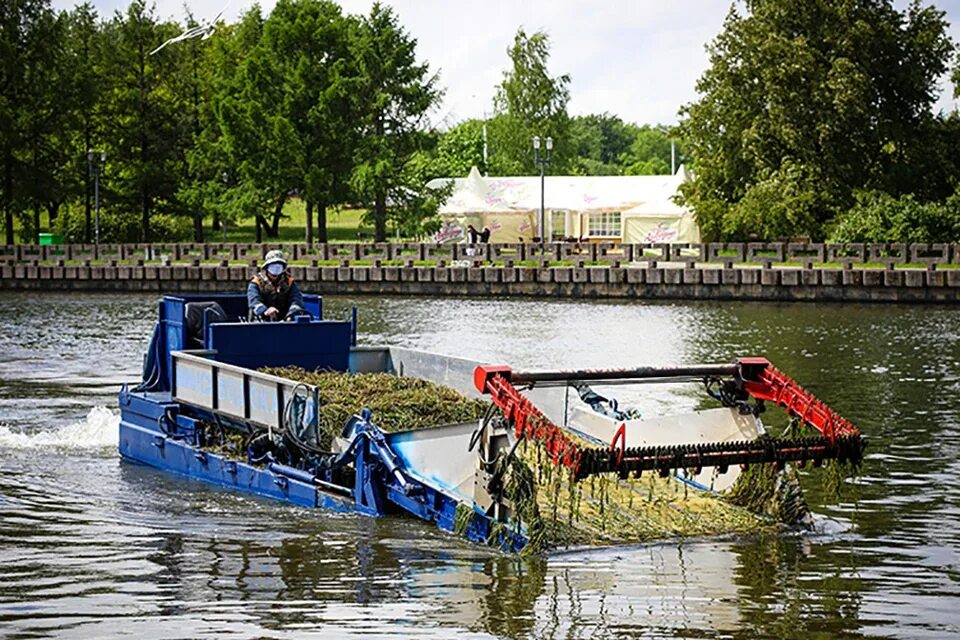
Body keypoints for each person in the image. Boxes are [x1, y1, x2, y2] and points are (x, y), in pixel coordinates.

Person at [247, 249, 307, 321]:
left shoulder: (289, 281)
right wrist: (265, 311)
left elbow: (296, 299)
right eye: (273, 266)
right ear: (267, 267)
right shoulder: (256, 282)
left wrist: (291, 314)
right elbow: (254, 301)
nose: (276, 269)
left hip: (285, 321)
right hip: (260, 321)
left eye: (279, 266)